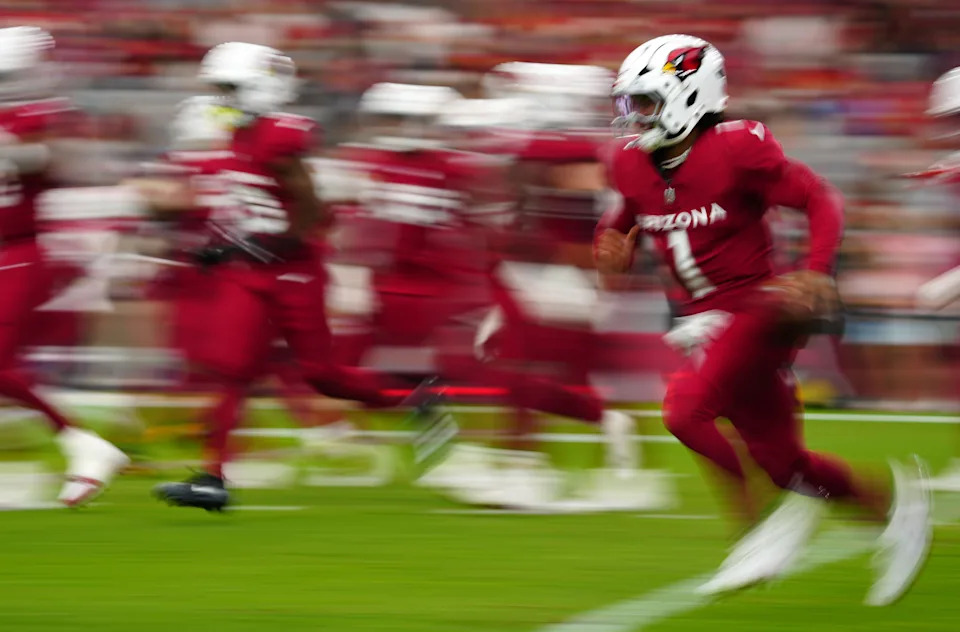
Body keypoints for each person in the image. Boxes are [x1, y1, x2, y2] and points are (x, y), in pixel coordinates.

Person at [595, 33, 931, 605]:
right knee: (785, 463)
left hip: (761, 308)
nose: (636, 118)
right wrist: (609, 243)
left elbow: (820, 197)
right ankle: (898, 511)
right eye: (631, 104)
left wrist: (817, 270)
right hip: (703, 322)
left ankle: (760, 528)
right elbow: (624, 217)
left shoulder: (737, 148)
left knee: (684, 412)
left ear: (689, 95)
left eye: (647, 102)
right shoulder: (630, 164)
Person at [153, 43, 435, 512]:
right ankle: (212, 478)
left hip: (294, 271)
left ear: (260, 87)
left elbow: (312, 209)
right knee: (232, 370)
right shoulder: (239, 134)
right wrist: (224, 248)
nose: (220, 98)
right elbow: (249, 202)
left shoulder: (279, 136)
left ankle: (414, 400)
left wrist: (272, 244)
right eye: (218, 88)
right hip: (252, 268)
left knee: (322, 376)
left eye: (229, 88)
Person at [0, 26, 129, 506]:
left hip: (16, 249)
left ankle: (83, 442)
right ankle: (83, 443)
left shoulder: (41, 114)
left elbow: (55, 160)